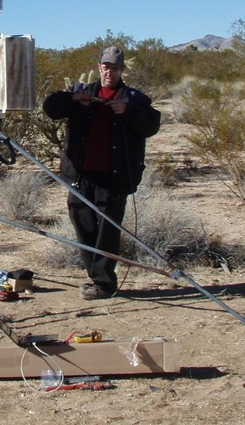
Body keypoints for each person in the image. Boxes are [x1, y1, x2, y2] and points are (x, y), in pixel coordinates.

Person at [42, 45, 161, 300]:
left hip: (114, 176)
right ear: (99, 67)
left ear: (122, 70)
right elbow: (51, 108)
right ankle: (96, 277)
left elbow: (152, 125)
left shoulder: (134, 98)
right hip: (81, 174)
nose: (110, 72)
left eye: (115, 68)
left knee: (108, 230)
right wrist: (73, 99)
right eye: (106, 66)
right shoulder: (82, 92)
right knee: (82, 223)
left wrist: (127, 111)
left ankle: (104, 284)